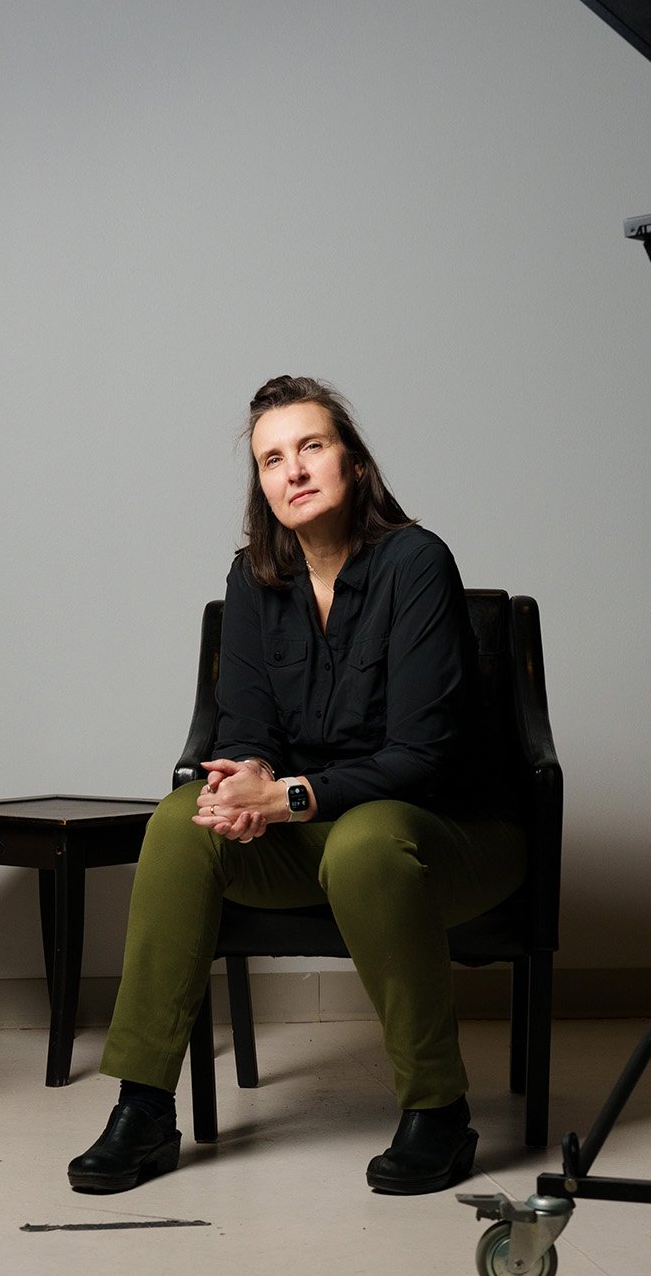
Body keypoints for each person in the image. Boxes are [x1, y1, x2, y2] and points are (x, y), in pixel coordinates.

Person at [67, 375, 524, 1195]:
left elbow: (424, 755)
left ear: (351, 461)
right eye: (272, 458)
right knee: (181, 820)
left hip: (448, 837)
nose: (294, 470)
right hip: (320, 835)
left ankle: (438, 1113)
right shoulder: (253, 579)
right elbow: (243, 724)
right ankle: (142, 1110)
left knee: (365, 843)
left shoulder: (416, 562)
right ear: (261, 484)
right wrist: (246, 778)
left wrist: (289, 799)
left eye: (311, 446)